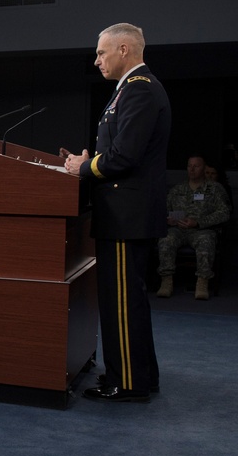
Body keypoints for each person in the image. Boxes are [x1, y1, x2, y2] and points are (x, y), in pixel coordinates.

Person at [62, 22, 171, 403]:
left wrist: (84, 168)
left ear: (124, 49)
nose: (97, 61)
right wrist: (93, 160)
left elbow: (126, 156)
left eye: (102, 53)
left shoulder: (139, 90)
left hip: (127, 215)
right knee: (128, 300)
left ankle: (128, 383)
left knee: (122, 302)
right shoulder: (131, 89)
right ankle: (141, 375)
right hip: (125, 212)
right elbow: (123, 151)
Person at [155, 154, 231, 300]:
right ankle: (166, 281)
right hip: (178, 229)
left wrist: (199, 222)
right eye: (190, 166)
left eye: (196, 166)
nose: (192, 169)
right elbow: (163, 210)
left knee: (206, 241)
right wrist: (168, 220)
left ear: (203, 168)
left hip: (202, 230)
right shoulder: (178, 189)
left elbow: (224, 213)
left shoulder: (214, 189)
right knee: (166, 240)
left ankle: (202, 283)